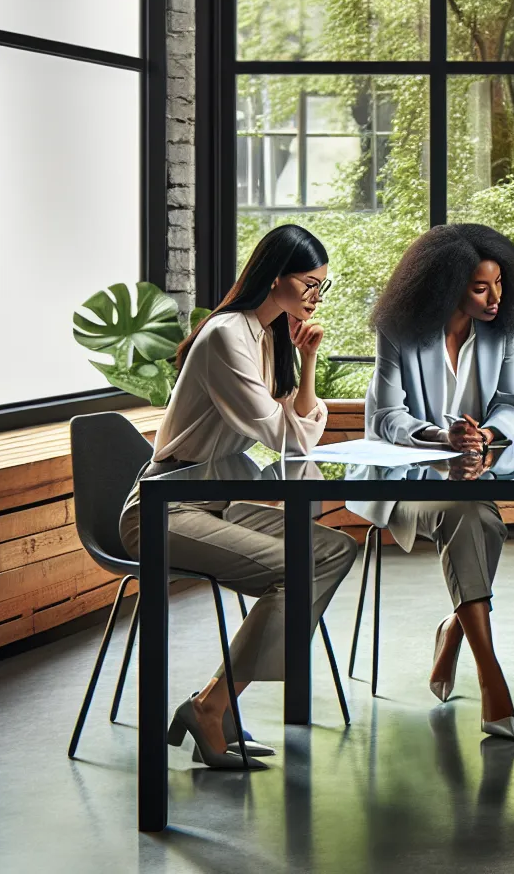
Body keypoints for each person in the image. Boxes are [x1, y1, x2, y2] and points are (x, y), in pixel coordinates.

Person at [120, 223, 360, 770]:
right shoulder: (227, 335)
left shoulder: (269, 335)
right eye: (309, 283)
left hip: (214, 499)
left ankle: (216, 705)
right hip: (162, 508)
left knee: (332, 550)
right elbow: (285, 437)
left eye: (322, 285)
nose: (316, 296)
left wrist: (308, 362)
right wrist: (295, 402)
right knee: (296, 568)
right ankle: (211, 707)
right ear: (275, 277)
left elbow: (297, 435)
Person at [347, 223, 514, 741]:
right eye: (481, 288)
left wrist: (486, 433)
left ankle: (456, 628)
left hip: (471, 474)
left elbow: (510, 403)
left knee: (477, 517)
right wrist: (438, 435)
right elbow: (387, 416)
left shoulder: (502, 331)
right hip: (403, 480)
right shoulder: (401, 330)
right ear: (449, 287)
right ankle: (491, 673)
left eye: (499, 284)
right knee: (477, 519)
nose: (496, 298)